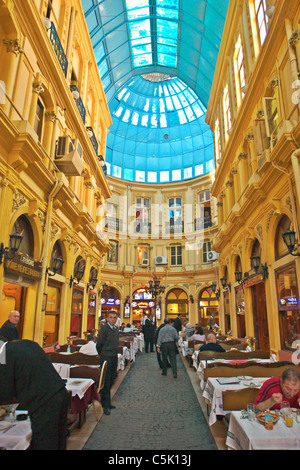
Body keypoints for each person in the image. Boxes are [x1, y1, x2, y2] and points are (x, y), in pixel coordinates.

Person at [0, 337, 69, 450]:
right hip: (61, 393)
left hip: (44, 403)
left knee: (44, 444)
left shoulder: (4, 356)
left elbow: (5, 394)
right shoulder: (27, 344)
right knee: (59, 441)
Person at [96, 310, 119, 415]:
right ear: (107, 318)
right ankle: (105, 405)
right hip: (106, 357)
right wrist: (102, 354)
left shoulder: (115, 329)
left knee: (111, 378)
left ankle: (108, 402)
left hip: (114, 357)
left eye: (114, 317)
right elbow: (99, 344)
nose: (113, 319)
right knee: (106, 380)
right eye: (111, 317)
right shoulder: (104, 329)